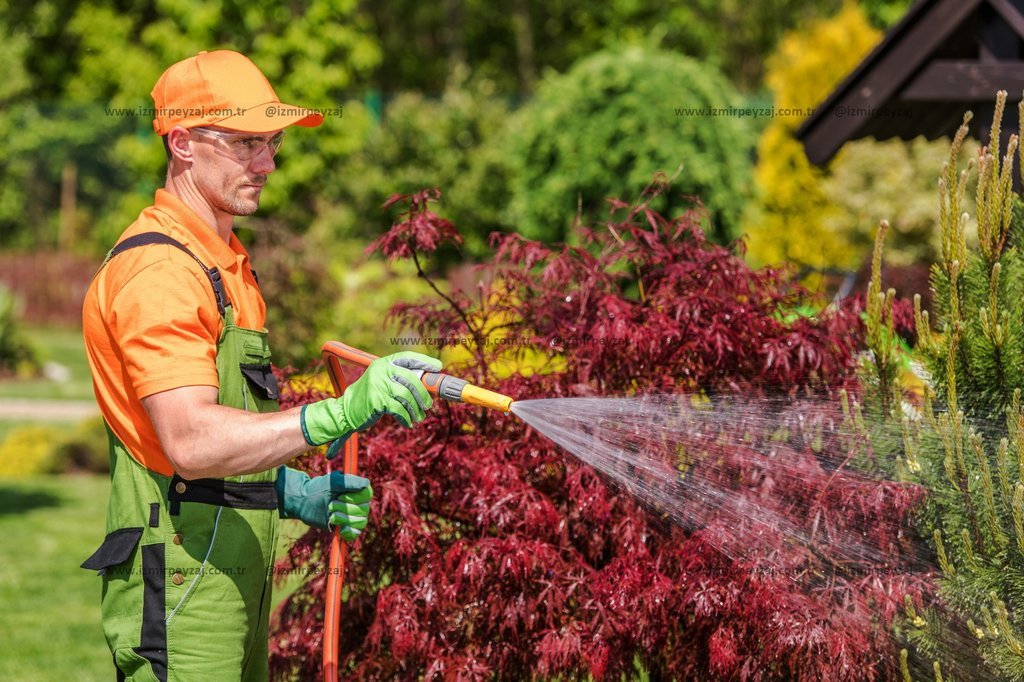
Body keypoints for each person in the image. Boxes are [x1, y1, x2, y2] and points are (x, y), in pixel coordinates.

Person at [80, 50, 441, 682]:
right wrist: (339, 413)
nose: (268, 164)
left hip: (227, 572)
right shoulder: (162, 272)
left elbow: (224, 435)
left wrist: (291, 492)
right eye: (246, 143)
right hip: (181, 581)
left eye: (272, 143)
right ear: (183, 142)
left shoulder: (224, 263)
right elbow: (191, 442)